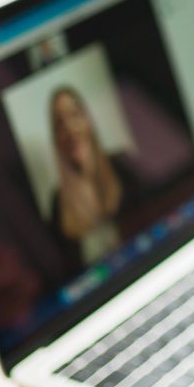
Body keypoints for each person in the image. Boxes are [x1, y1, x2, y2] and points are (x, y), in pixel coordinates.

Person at [46, 84, 139, 266]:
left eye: (75, 115)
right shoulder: (58, 202)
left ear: (88, 120)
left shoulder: (122, 166)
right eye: (59, 124)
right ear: (56, 138)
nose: (70, 129)